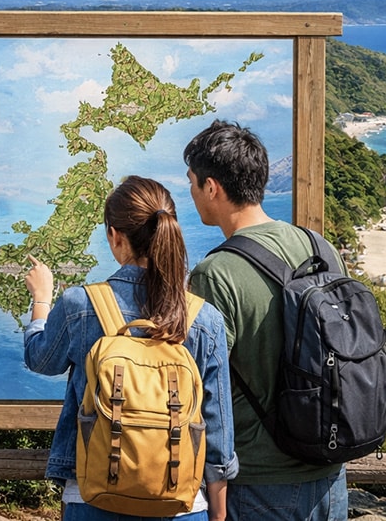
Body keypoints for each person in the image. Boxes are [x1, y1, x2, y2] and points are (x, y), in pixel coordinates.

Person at [24, 175, 238, 521]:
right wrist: (217, 511)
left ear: (114, 236)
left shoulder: (81, 304)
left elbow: (40, 359)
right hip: (180, 500)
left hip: (93, 496)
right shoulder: (203, 318)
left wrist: (41, 300)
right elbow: (217, 427)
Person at [183, 120, 348, 521]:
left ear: (212, 187)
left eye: (191, 181)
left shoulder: (214, 273)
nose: (189, 192)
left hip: (262, 482)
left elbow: (199, 386)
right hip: (331, 474)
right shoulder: (319, 246)